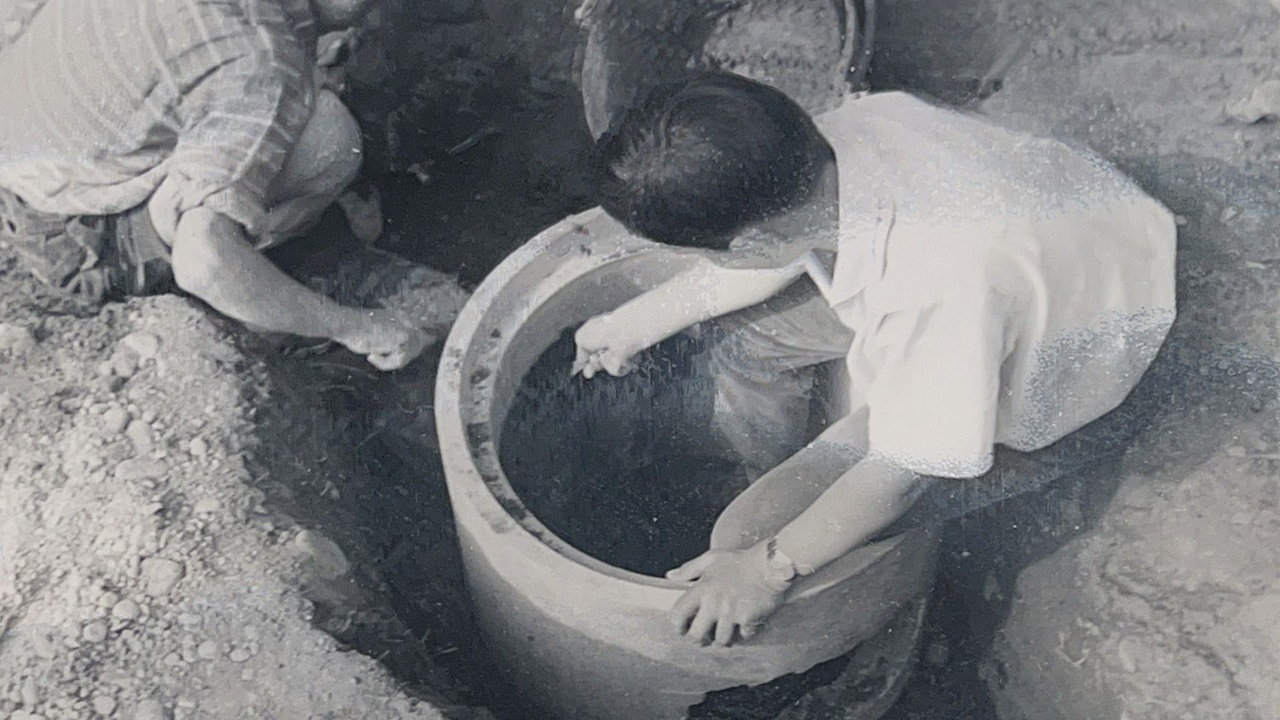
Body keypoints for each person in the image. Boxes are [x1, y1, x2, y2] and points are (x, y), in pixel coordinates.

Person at [575, 71, 1177, 647]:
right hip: (1091, 236)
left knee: (743, 533)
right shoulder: (843, 137)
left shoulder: (936, 287)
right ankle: (754, 468)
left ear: (750, 242)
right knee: (751, 341)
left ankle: (759, 505)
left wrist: (766, 568)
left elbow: (907, 470)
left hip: (1089, 355)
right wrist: (631, 323)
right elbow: (783, 247)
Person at [0, 0, 428, 371]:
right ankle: (267, 312)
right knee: (330, 141)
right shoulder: (260, 61)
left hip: (37, 151)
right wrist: (357, 328)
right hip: (79, 238)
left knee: (285, 106)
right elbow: (202, 261)